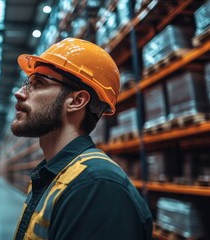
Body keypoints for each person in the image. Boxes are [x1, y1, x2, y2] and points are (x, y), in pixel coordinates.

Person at [11, 38, 153, 240]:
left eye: (38, 84)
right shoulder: (54, 175)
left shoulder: (97, 188)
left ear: (77, 101)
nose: (19, 93)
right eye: (27, 84)